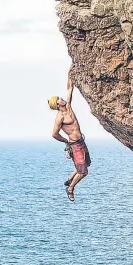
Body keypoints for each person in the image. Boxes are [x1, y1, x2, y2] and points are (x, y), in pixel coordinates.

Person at [49, 69, 91, 202]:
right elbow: (54, 134)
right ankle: (71, 188)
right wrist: (66, 141)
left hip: (81, 142)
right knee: (83, 172)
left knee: (87, 164)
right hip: (75, 145)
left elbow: (69, 87)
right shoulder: (59, 118)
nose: (61, 99)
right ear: (56, 104)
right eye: (59, 99)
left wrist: (70, 72)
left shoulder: (68, 106)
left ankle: (69, 179)